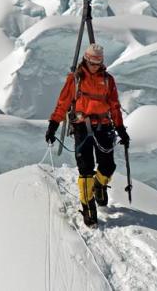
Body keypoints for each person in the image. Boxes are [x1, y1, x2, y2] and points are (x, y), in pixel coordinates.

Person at [45, 43, 130, 227]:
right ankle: (88, 205)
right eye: (92, 62)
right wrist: (53, 125)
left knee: (108, 166)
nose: (95, 66)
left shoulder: (108, 80)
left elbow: (114, 106)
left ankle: (99, 185)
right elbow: (63, 104)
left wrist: (121, 129)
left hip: (104, 126)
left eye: (98, 62)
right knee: (85, 169)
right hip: (82, 128)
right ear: (86, 59)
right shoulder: (74, 80)